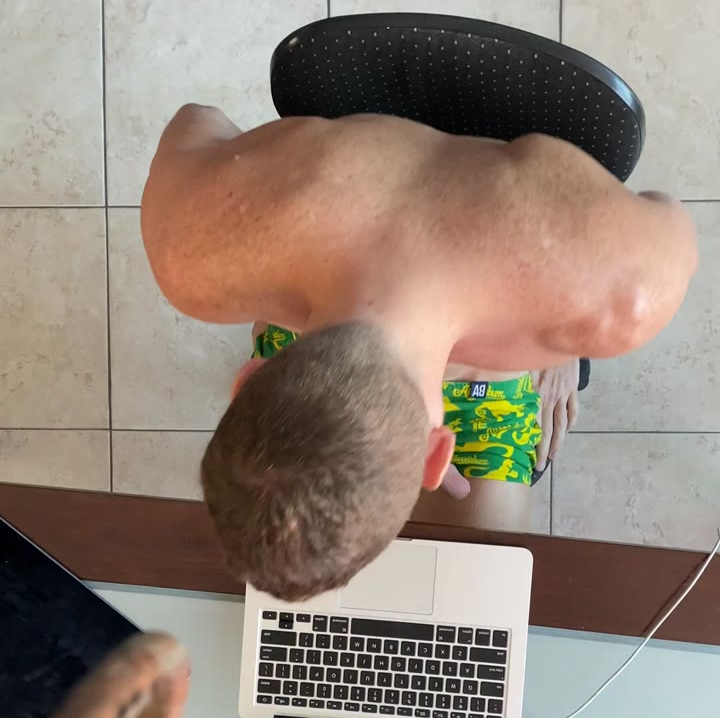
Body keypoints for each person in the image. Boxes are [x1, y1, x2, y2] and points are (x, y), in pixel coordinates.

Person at [141, 104, 697, 600]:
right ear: (246, 379)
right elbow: (199, 121)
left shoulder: (623, 301)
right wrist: (563, 310)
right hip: (339, 306)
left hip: (501, 302)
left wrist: (567, 317)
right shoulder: (185, 249)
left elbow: (668, 220)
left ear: (436, 457)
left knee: (482, 571)